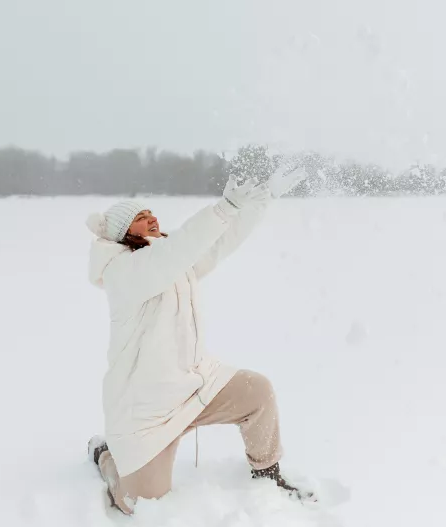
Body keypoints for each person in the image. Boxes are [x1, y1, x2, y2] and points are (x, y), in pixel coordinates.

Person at [84, 169, 309, 514]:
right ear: (124, 233)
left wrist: (261, 201)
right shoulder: (124, 273)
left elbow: (218, 243)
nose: (152, 218)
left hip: (194, 384)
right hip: (149, 409)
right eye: (141, 218)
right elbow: (177, 251)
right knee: (137, 503)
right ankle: (107, 458)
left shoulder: (172, 261)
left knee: (258, 393)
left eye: (150, 213)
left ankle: (267, 472)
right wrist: (225, 207)